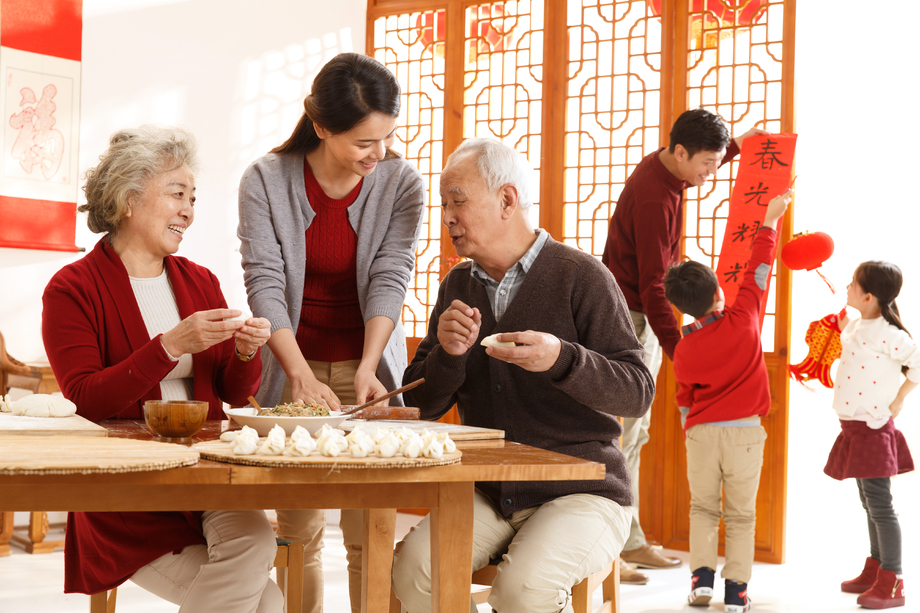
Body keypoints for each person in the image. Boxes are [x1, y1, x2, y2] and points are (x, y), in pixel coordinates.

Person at [390, 137, 655, 612]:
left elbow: (637, 391)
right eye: (444, 203)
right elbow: (420, 405)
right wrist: (448, 355)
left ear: (507, 200)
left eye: (458, 201)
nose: (447, 216)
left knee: (522, 592)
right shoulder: (458, 283)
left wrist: (563, 358)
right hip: (489, 489)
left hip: (584, 490)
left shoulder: (582, 275)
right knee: (414, 571)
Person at [42, 126, 282, 612]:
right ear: (129, 199)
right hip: (129, 493)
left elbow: (233, 393)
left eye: (193, 197)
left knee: (255, 542)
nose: (189, 211)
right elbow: (87, 398)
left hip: (207, 478)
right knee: (267, 603)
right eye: (177, 194)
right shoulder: (72, 289)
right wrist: (169, 345)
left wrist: (244, 352)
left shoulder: (200, 281)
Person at [237, 52, 425, 613]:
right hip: (291, 362)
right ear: (320, 126)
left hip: (366, 363)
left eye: (388, 137)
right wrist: (295, 372)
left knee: (370, 531)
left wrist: (369, 367)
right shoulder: (265, 180)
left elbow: (392, 273)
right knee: (298, 532)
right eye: (363, 142)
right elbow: (264, 281)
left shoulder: (401, 182)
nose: (380, 153)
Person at [601, 108, 767, 583]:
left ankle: (626, 543)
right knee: (623, 437)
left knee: (634, 435)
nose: (711, 174)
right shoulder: (656, 198)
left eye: (717, 163)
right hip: (634, 319)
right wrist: (681, 350)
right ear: (679, 152)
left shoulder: (669, 173)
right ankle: (613, 552)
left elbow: (700, 163)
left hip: (640, 315)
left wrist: (738, 146)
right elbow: (655, 285)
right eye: (708, 165)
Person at [663, 189, 792, 612]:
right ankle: (736, 594)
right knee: (740, 515)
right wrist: (770, 220)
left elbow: (685, 398)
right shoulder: (745, 316)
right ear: (720, 291)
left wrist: (692, 425)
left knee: (702, 508)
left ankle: (701, 584)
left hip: (700, 434)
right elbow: (760, 267)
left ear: (682, 307)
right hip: (744, 436)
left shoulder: (683, 348)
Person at [825, 261, 919, 609]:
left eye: (852, 284)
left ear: (867, 296)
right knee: (869, 502)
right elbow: (855, 344)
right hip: (852, 428)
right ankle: (877, 567)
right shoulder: (859, 326)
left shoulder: (890, 334)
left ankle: (893, 579)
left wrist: (899, 400)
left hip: (874, 428)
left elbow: (919, 361)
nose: (846, 287)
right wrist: (842, 325)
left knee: (881, 506)